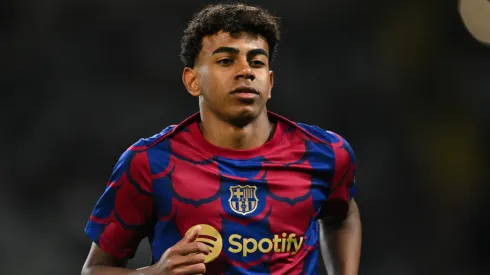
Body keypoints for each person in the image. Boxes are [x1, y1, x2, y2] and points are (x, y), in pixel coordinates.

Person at [81, 3, 361, 275]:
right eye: (226, 60)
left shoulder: (325, 154)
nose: (246, 71)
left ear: (270, 82)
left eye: (257, 62)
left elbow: (342, 214)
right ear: (193, 81)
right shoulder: (149, 163)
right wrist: (153, 274)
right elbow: (94, 270)